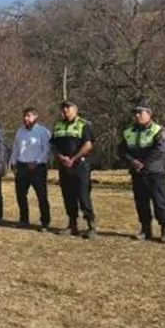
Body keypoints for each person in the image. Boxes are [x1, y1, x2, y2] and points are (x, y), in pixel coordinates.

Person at [117, 98, 165, 243]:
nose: (137, 115)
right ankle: (145, 229)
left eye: (140, 112)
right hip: (137, 173)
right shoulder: (128, 132)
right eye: (135, 113)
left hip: (155, 173)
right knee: (141, 202)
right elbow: (121, 150)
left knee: (160, 202)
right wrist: (131, 162)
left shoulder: (159, 130)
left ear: (149, 114)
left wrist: (143, 163)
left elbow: (159, 150)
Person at [50, 99, 97, 238]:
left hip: (80, 165)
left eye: (69, 108)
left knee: (83, 195)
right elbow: (53, 146)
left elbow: (88, 145)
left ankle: (91, 226)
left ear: (75, 110)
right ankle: (72, 225)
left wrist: (73, 158)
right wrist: (60, 157)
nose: (65, 110)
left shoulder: (84, 125)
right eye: (63, 108)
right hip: (64, 166)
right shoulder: (58, 125)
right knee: (68, 196)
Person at [9, 107, 52, 231]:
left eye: (28, 116)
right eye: (24, 116)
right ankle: (24, 219)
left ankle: (45, 222)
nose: (25, 118)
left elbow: (47, 150)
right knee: (21, 194)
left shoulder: (43, 131)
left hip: (38, 168)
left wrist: (37, 161)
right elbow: (16, 148)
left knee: (41, 195)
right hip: (22, 166)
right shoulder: (20, 131)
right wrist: (13, 162)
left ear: (35, 117)